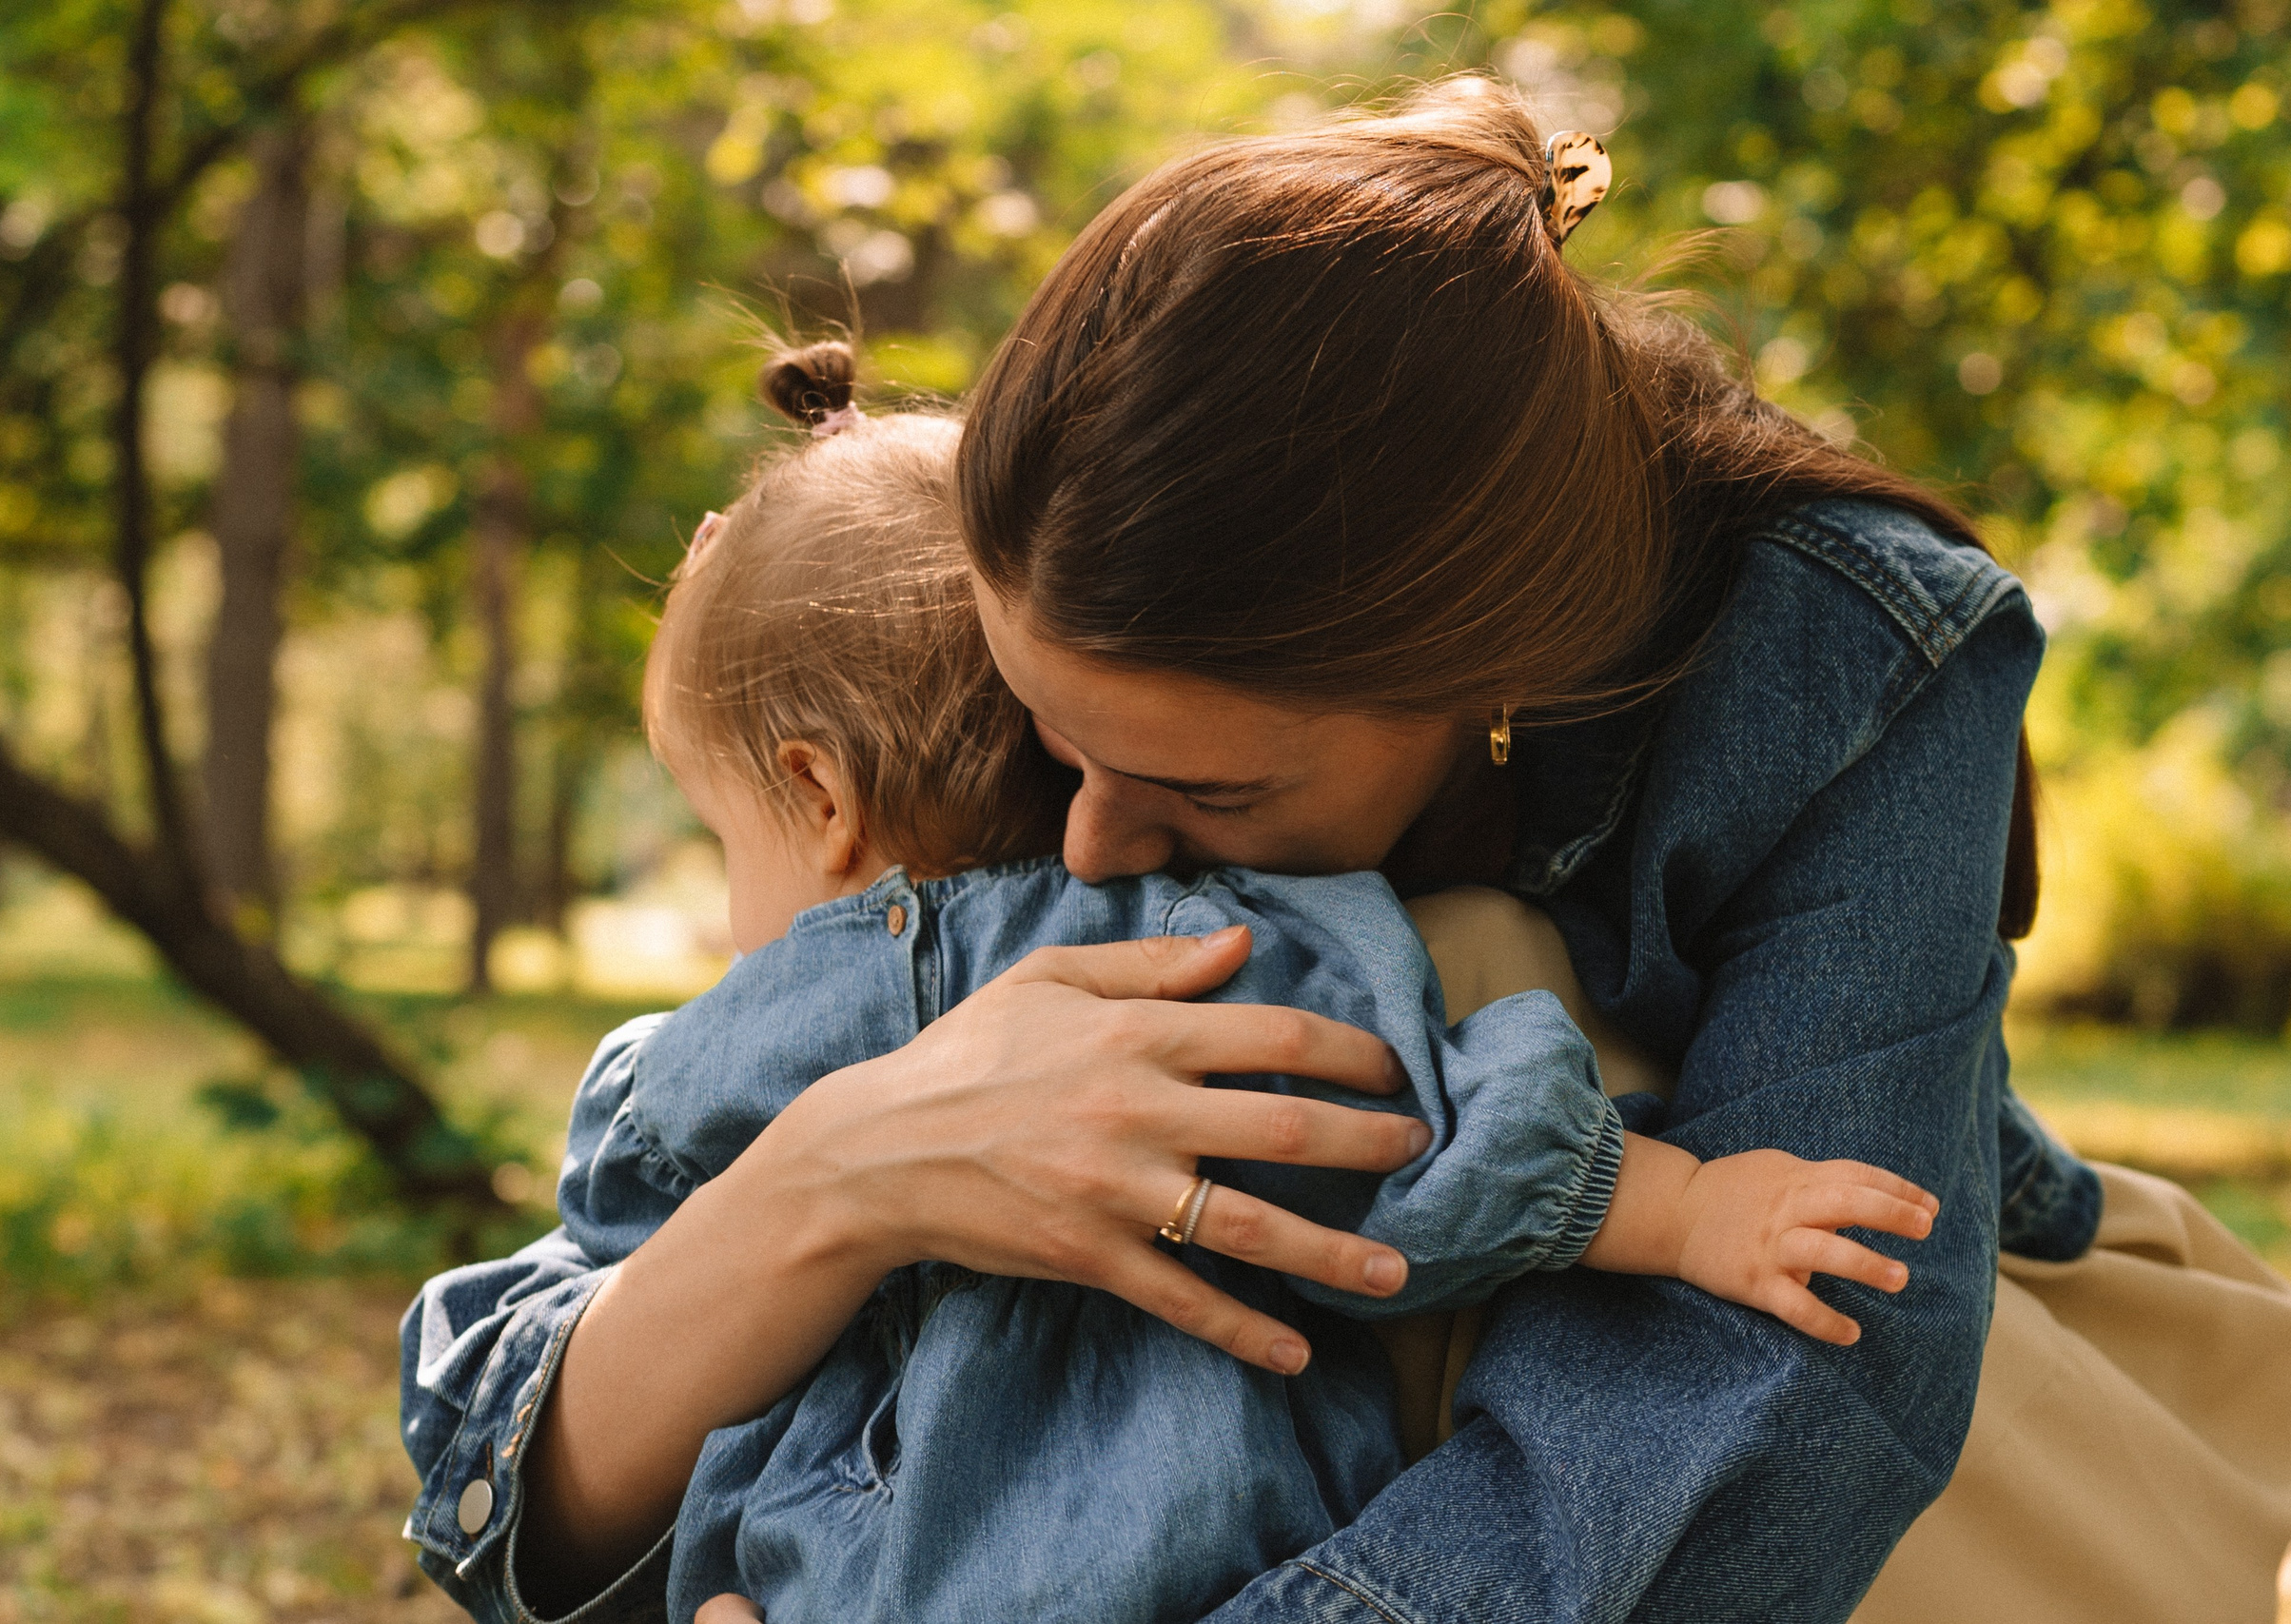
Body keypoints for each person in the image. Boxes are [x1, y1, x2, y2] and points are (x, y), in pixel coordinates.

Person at [401, 75, 2288, 1624]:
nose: (1087, 841)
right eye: (1045, 742)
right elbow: (550, 1440)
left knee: (1473, 969)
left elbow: (1807, 1375)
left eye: (1204, 800)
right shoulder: (1123, 499)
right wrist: (843, 1169)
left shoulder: (1839, 660)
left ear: (1492, 685)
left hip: (1918, 1488)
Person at [420, 354, 1939, 1624]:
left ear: (821, 803)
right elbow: (1418, 1143)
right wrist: (1680, 1209)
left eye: (715, 830)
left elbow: (539, 1355)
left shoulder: (732, 1037)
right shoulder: (1231, 955)